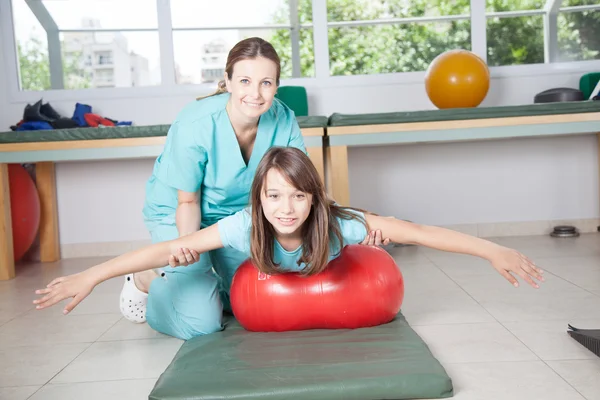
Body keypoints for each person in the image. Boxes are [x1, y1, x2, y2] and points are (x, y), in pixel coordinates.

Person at [33, 147, 544, 340]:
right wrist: (90, 274)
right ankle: (139, 290)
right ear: (259, 197)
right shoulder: (243, 224)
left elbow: (420, 233)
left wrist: (492, 250)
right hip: (223, 275)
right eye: (274, 195)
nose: (285, 207)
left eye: (297, 195)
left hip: (287, 282)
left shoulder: (337, 222)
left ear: (314, 198)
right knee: (204, 312)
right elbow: (166, 247)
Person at [123, 37, 385, 332]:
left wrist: (349, 226)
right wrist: (189, 247)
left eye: (266, 83)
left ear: (276, 85)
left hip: (239, 216)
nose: (256, 94)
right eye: (245, 80)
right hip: (179, 213)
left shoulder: (282, 117)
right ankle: (148, 280)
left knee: (247, 300)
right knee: (202, 323)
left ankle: (208, 286)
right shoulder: (195, 124)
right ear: (228, 81)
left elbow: (304, 188)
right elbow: (188, 202)